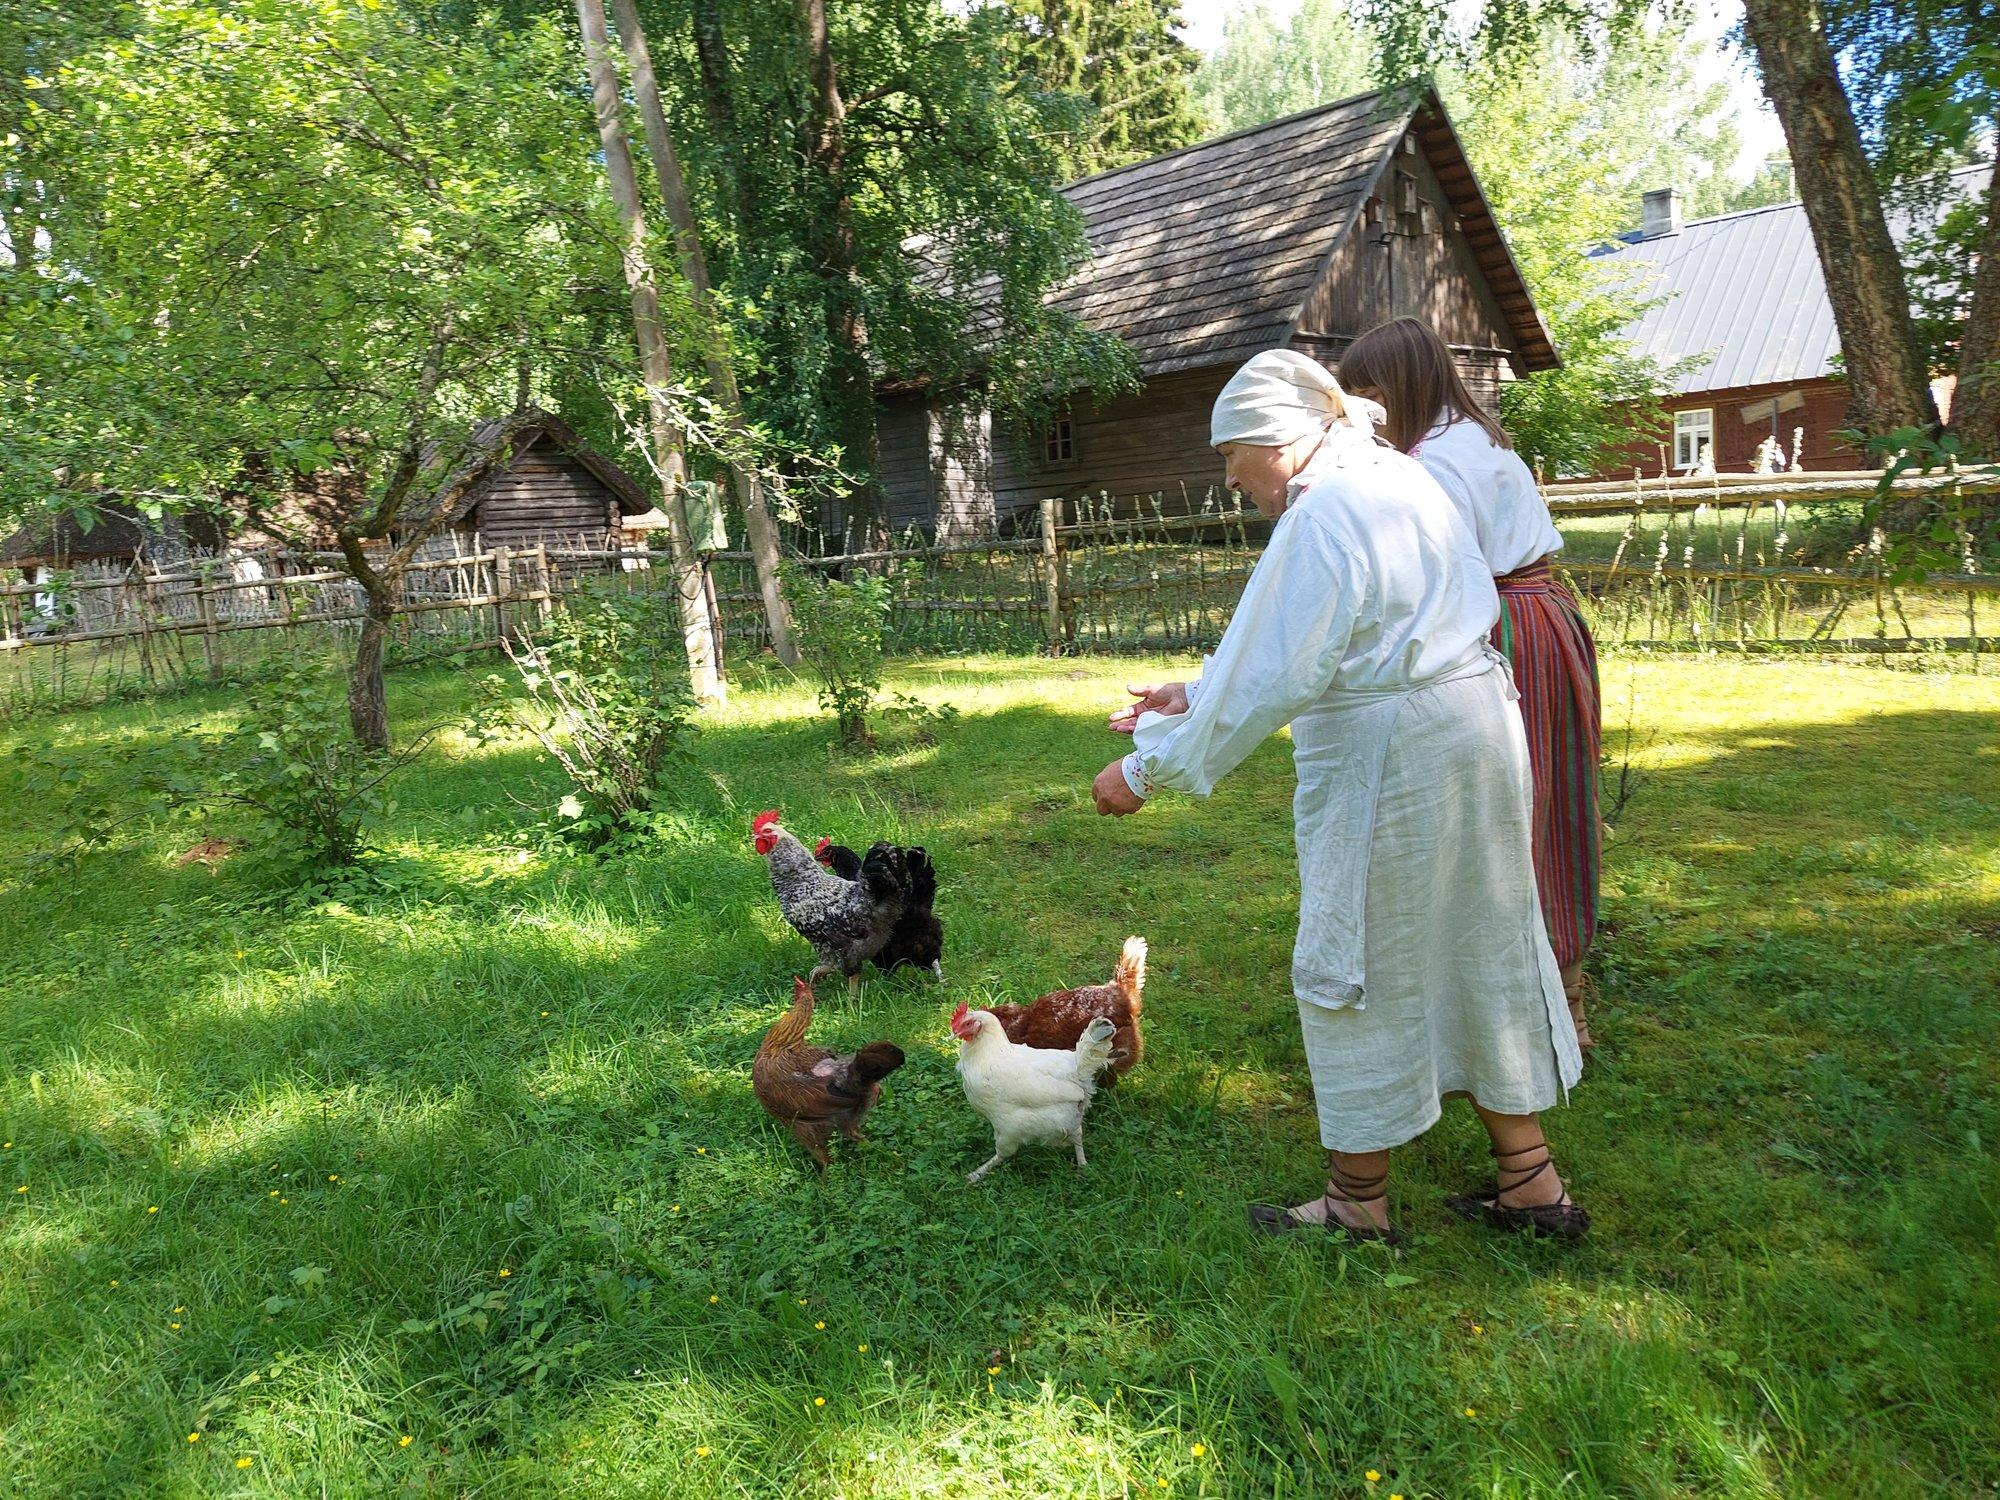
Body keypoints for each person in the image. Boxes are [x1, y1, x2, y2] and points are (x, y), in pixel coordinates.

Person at [1091, 348, 1586, 1244]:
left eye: (1226, 458)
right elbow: (1332, 640)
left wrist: (1140, 773)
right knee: (1482, 934)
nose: (1229, 480)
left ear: (1271, 443)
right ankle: (1531, 1183)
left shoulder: (1325, 513)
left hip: (1395, 757)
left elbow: (1285, 665)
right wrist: (1195, 693)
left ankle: (1357, 1204)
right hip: (1473, 729)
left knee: (1357, 952)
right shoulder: (1399, 477)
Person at [1338, 317, 1602, 1047]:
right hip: (1542, 615)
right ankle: (1561, 988)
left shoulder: (1436, 459)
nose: (1366, 414)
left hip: (1503, 625)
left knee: (1517, 804)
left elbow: (1429, 569)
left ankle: (1547, 997)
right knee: (1545, 796)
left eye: (1369, 395)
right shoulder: (1477, 437)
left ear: (1398, 388)